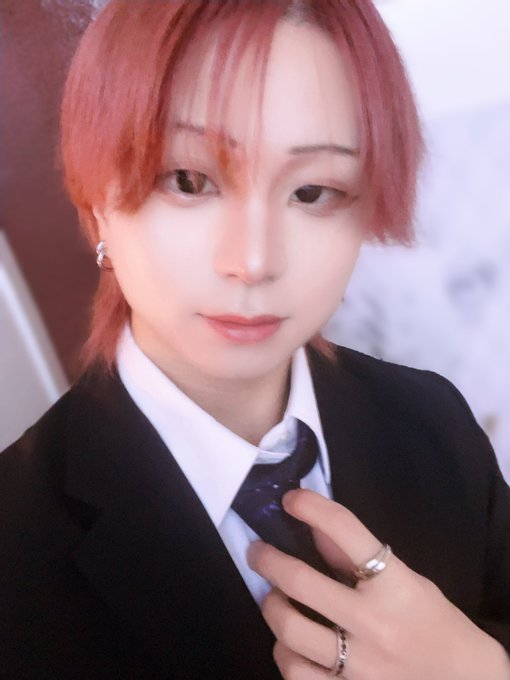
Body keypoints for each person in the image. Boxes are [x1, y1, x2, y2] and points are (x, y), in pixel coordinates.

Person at [1, 1, 509, 678]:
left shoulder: (432, 418)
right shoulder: (15, 542)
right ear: (98, 207)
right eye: (189, 180)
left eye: (314, 192)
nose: (254, 260)